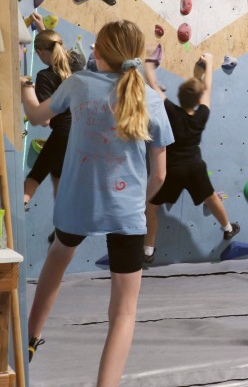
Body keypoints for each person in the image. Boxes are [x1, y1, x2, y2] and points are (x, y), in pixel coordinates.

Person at [20, 20, 173, 386]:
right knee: (123, 313)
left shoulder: (78, 84)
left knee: (57, 261)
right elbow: (160, 175)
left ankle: (29, 341)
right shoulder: (151, 99)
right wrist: (137, 202)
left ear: (98, 52)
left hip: (77, 205)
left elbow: (36, 116)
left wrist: (25, 85)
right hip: (128, 213)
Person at [142, 51, 239, 265]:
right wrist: (210, 62)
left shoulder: (170, 111)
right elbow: (208, 91)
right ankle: (228, 228)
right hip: (195, 167)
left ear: (179, 95)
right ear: (197, 100)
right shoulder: (201, 116)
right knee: (211, 197)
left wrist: (149, 64)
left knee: (151, 208)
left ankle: (148, 251)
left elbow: (154, 88)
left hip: (173, 170)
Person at [23, 21, 74, 211]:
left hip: (64, 133)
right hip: (84, 132)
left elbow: (44, 120)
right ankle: (63, 227)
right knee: (57, 174)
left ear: (40, 53)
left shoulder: (45, 77)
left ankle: (6, 224)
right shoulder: (76, 61)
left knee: (34, 178)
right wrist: (44, 29)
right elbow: (55, 47)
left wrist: (26, 88)